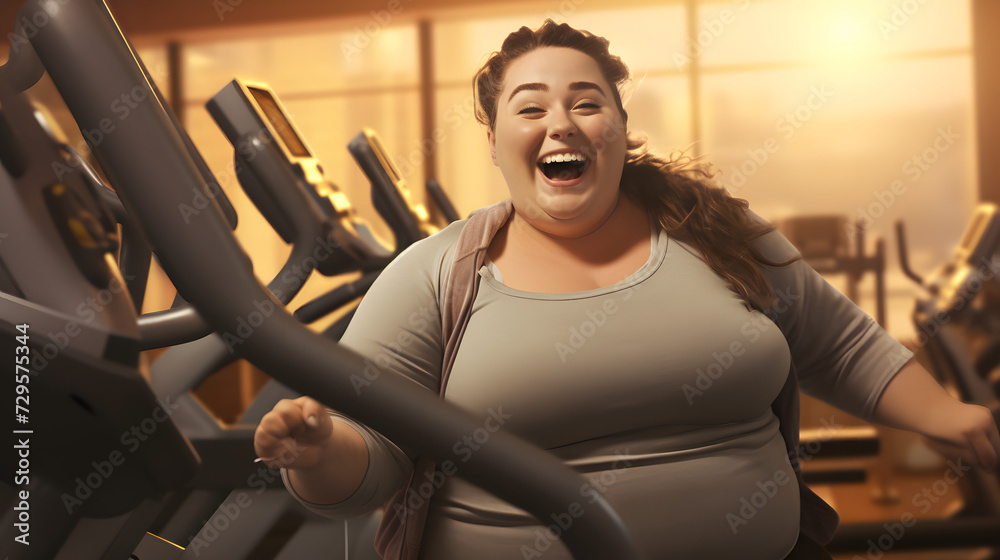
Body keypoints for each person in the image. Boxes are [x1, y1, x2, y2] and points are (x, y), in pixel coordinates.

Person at [254, 20, 1000, 560]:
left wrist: (946, 413)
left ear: (618, 124)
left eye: (587, 102)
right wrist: (320, 450)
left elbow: (834, 340)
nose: (562, 124)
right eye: (531, 106)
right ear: (493, 140)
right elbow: (371, 464)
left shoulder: (714, 229)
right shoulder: (433, 275)